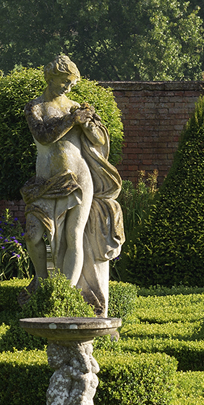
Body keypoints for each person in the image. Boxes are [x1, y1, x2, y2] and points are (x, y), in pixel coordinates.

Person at [21, 54, 125, 315]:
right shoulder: (35, 107)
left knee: (73, 236)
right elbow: (44, 136)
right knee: (33, 234)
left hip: (80, 178)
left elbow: (100, 141)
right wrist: (73, 119)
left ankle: (63, 297)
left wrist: (90, 124)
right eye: (65, 81)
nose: (68, 87)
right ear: (51, 77)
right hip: (46, 182)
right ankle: (42, 282)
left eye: (71, 83)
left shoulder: (75, 106)